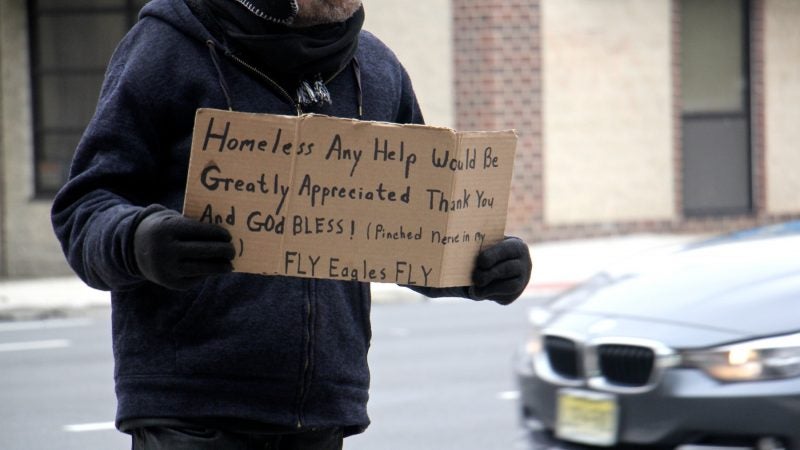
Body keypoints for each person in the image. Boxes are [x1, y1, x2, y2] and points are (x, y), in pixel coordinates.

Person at [50, 0, 533, 448]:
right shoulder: (166, 48)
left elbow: (406, 230)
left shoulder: (379, 70)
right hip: (192, 409)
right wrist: (139, 241)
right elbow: (84, 207)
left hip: (321, 413)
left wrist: (480, 268)